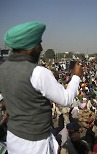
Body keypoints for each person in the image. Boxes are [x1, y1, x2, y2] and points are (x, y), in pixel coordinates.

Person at [0, 22, 83, 154]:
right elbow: (66, 99)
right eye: (39, 44)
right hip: (35, 144)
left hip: (13, 138)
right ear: (29, 48)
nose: (41, 48)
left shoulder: (3, 68)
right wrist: (76, 76)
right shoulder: (38, 72)